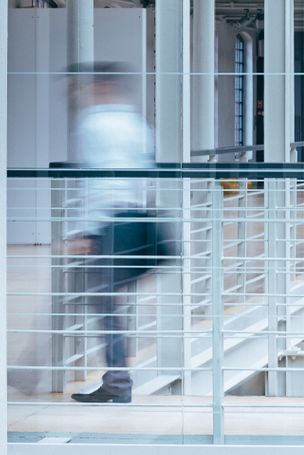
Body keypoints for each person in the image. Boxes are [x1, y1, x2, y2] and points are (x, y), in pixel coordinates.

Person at [65, 62, 164, 404]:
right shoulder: (137, 125)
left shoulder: (94, 124)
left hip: (108, 225)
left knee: (104, 302)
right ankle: (117, 381)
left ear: (100, 88)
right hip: (134, 222)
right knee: (108, 303)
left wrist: (85, 231)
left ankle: (118, 383)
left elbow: (97, 182)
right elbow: (146, 177)